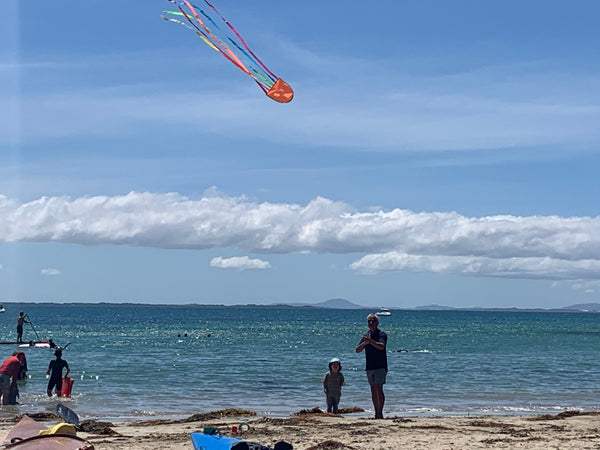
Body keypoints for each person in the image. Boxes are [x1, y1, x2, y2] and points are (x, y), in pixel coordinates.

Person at [355, 313, 388, 419]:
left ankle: (380, 412)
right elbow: (357, 350)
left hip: (380, 366)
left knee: (379, 388)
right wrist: (365, 343)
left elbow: (381, 346)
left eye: (373, 321)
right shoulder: (366, 336)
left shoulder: (381, 334)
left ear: (377, 323)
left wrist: (371, 341)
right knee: (373, 389)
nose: (371, 323)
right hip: (369, 366)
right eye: (369, 321)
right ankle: (376, 411)